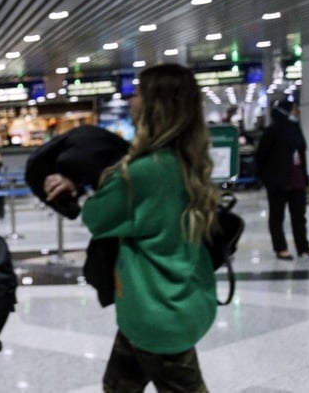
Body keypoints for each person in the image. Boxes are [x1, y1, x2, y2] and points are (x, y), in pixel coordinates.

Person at [45, 64, 218, 392]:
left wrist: (84, 184)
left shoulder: (144, 172)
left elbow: (96, 216)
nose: (131, 100)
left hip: (155, 310)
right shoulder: (187, 163)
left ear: (157, 105)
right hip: (179, 299)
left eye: (138, 93)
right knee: (118, 385)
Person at [255, 98, 309, 260]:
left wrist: (304, 177)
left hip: (297, 179)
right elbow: (261, 156)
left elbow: (301, 153)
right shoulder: (272, 131)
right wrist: (266, 178)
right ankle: (280, 248)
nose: (297, 112)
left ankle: (303, 247)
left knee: (299, 216)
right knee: (277, 216)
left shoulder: (296, 129)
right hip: (278, 181)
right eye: (293, 110)